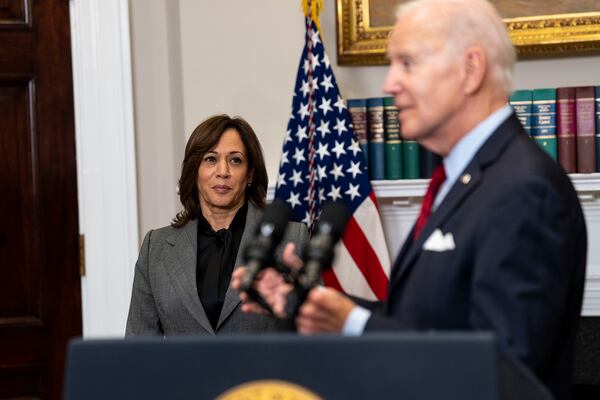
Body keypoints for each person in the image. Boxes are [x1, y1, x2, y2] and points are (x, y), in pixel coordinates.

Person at [232, 1, 587, 398]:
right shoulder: (461, 181)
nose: (390, 84)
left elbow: (502, 366)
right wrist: (315, 304)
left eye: (407, 63)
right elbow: (425, 323)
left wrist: (358, 325)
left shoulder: (523, 188)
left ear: (470, 69)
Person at [126, 115, 308, 336]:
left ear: (249, 174)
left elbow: (312, 338)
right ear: (195, 171)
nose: (223, 171)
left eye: (235, 160)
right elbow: (140, 348)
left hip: (265, 372)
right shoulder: (155, 248)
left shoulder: (290, 239)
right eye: (211, 159)